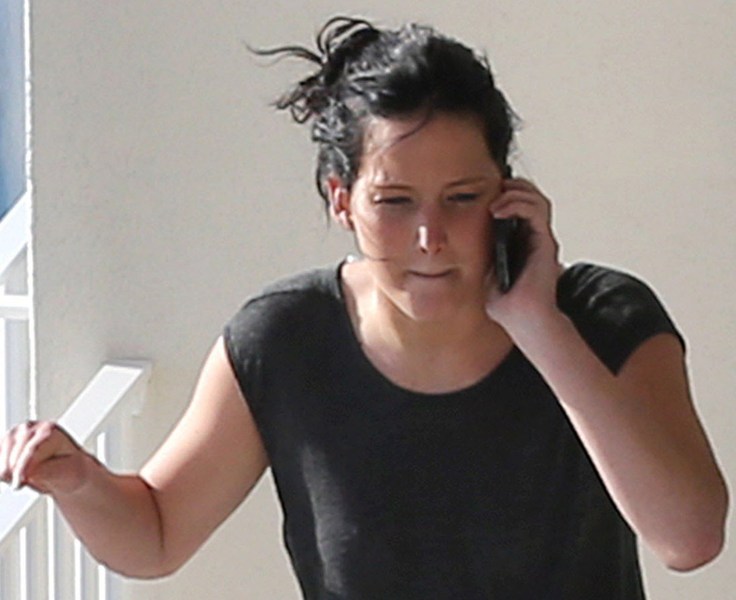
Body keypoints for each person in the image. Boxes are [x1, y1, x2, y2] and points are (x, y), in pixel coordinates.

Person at [0, 16, 729, 599]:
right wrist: (81, 482)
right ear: (341, 198)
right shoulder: (284, 341)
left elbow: (690, 538)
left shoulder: (603, 318)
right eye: (395, 201)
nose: (430, 237)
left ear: (509, 196)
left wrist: (540, 325)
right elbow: (157, 532)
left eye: (463, 198)